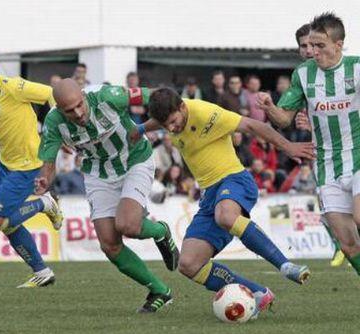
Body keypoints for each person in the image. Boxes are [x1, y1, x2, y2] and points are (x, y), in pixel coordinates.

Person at [134, 87, 315, 316]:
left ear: (182, 107)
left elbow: (251, 125)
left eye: (172, 122)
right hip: (210, 194)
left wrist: (287, 147)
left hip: (235, 180)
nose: (171, 128)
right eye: (166, 125)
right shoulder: (171, 115)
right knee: (188, 264)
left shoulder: (206, 113)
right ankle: (258, 293)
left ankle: (285, 265)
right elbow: (158, 122)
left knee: (226, 216)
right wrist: (138, 129)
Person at [36, 79, 179, 313]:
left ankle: (161, 231)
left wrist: (173, 115)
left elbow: (158, 94)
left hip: (135, 160)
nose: (78, 113)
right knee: (110, 245)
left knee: (128, 225)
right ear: (59, 109)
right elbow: (48, 163)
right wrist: (44, 180)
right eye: (69, 111)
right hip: (98, 172)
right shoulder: (54, 123)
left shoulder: (109, 96)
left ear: (83, 95)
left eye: (79, 105)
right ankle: (160, 290)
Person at [257, 12, 360, 275]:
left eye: (320, 46)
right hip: (326, 166)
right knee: (348, 245)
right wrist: (269, 107)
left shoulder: (356, 68)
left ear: (339, 44)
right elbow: (283, 119)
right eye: (310, 45)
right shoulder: (303, 74)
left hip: (358, 157)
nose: (313, 51)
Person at [0, 45, 63, 287]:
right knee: (6, 225)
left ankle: (44, 203)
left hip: (29, 164)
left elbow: (51, 93)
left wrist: (57, 129)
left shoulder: (14, 86)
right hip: (6, 164)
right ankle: (42, 271)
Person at [293, 22, 346, 268]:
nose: (308, 50)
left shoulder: (343, 70)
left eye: (313, 45)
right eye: (304, 46)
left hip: (350, 150)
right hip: (322, 154)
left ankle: (344, 247)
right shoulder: (303, 76)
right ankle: (340, 247)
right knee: (327, 210)